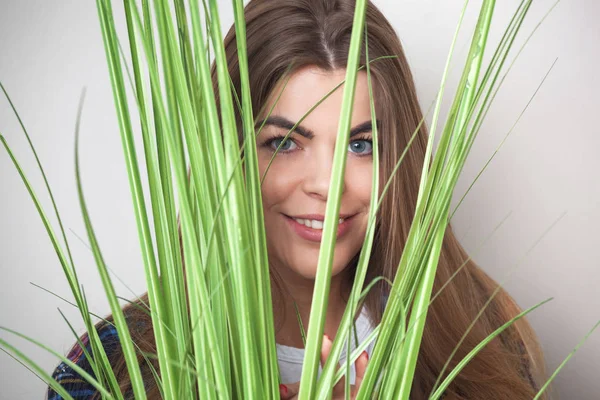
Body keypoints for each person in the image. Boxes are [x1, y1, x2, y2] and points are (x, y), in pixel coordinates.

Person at [47, 0, 549, 399]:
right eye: (284, 143)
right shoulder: (115, 366)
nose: (328, 188)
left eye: (361, 144)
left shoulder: (487, 332)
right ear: (230, 159)